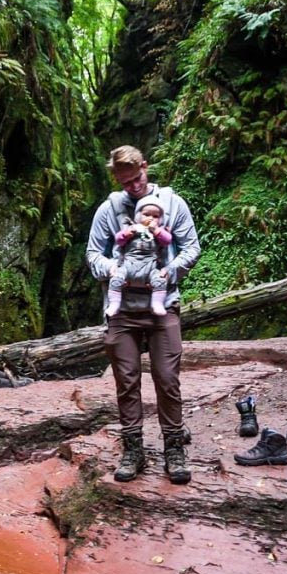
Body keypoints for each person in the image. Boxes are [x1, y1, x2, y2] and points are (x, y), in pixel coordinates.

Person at [86, 145, 202, 484]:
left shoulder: (172, 204)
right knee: (127, 380)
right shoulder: (109, 209)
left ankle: (174, 449)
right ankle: (133, 449)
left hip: (162, 304)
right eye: (125, 183)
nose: (133, 187)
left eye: (136, 179)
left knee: (167, 379)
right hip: (122, 309)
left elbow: (192, 246)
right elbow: (93, 253)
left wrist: (170, 271)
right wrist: (116, 269)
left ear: (145, 168)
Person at [105, 194, 173, 317]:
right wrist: (127, 234)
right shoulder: (132, 227)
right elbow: (118, 240)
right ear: (138, 215)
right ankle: (114, 304)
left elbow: (167, 240)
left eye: (155, 216)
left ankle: (157, 304)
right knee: (116, 279)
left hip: (150, 266)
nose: (151, 218)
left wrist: (156, 231)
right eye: (146, 214)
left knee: (160, 280)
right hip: (129, 264)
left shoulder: (159, 231)